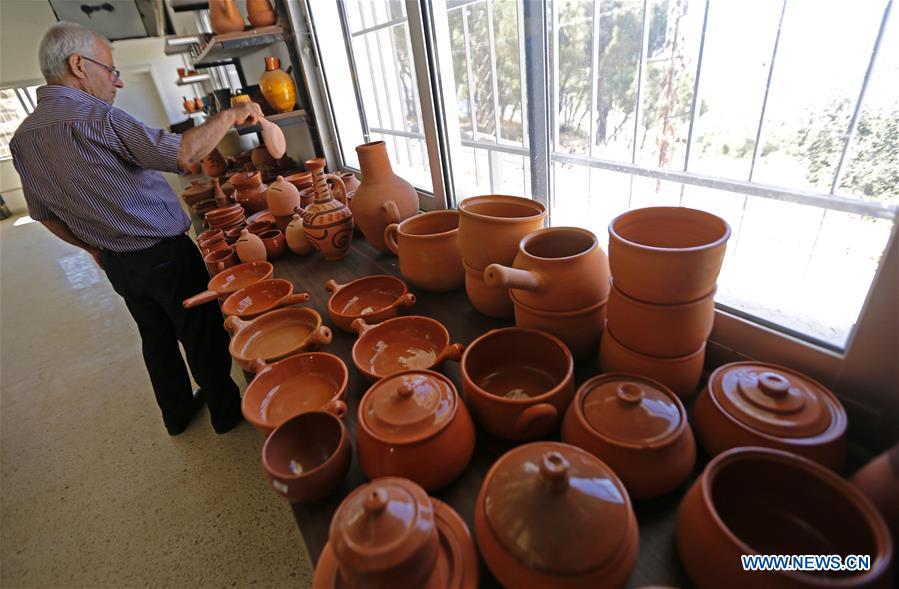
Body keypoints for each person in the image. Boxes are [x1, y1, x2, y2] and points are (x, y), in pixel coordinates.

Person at [10, 22, 264, 435]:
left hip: (119, 264)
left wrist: (95, 250)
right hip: (164, 255)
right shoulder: (97, 116)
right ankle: (225, 413)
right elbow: (183, 155)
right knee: (200, 332)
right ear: (78, 65)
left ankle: (177, 414)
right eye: (110, 70)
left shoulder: (23, 140)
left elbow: (45, 215)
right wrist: (232, 114)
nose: (118, 81)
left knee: (156, 337)